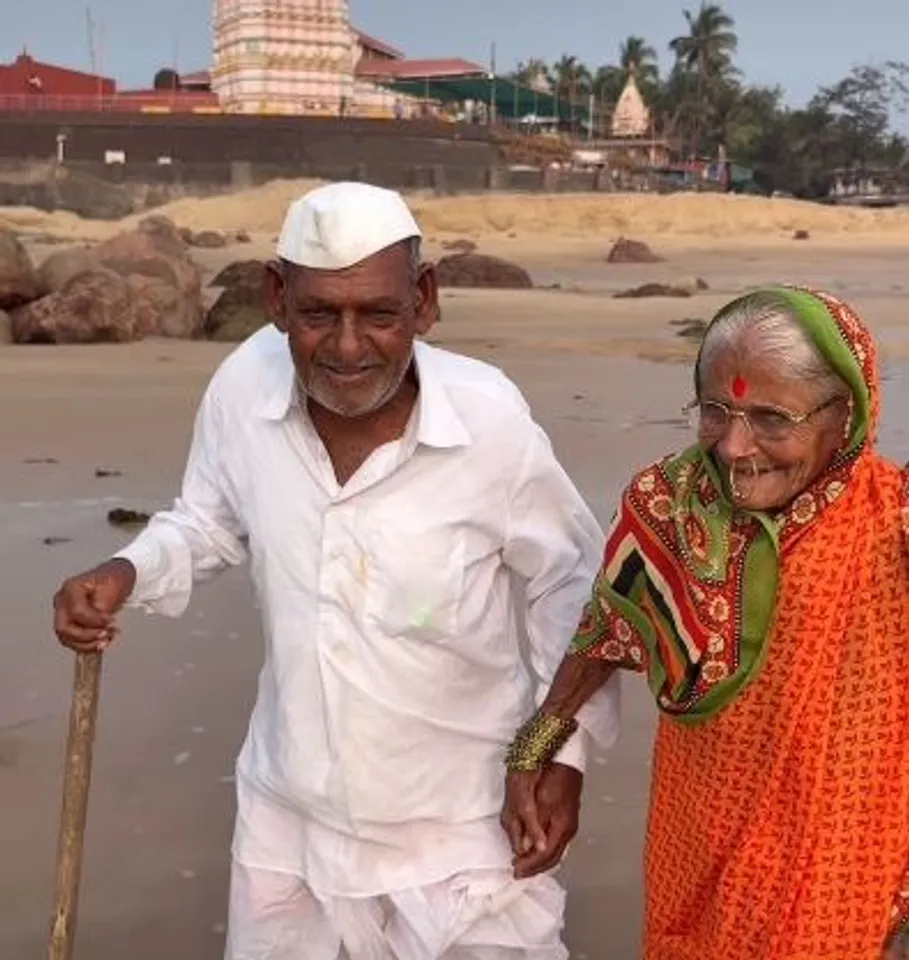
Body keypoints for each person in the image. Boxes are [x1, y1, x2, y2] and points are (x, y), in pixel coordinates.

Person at [52, 181, 620, 960]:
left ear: (423, 301)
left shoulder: (489, 421)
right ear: (276, 298)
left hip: (465, 826)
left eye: (378, 315)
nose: (348, 347)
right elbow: (210, 520)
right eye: (319, 314)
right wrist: (128, 569)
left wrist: (561, 754)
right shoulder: (242, 387)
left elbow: (572, 586)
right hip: (290, 823)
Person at [501, 286, 909, 959]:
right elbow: (607, 627)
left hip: (850, 864)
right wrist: (535, 749)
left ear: (846, 413)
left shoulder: (891, 526)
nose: (733, 446)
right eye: (715, 411)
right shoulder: (665, 505)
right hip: (700, 839)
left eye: (771, 419)